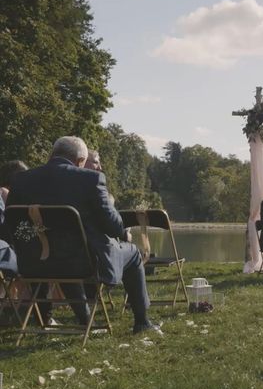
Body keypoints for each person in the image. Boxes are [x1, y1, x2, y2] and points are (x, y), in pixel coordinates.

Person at [6, 136, 160, 333]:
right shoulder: (90, 179)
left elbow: (11, 224)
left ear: (52, 154)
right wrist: (122, 231)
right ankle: (142, 322)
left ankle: (84, 320)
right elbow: (113, 226)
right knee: (133, 253)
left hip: (34, 263)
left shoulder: (21, 180)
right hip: (81, 262)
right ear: (80, 161)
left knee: (63, 252)